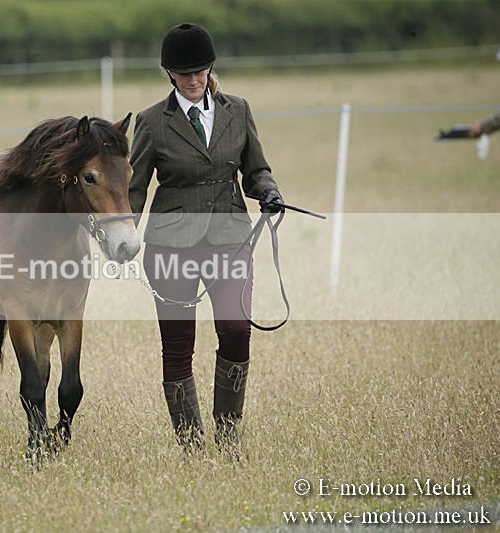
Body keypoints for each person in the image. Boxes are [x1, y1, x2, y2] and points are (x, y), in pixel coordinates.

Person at [128, 22, 283, 457]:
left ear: (210, 68)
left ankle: (229, 435)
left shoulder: (238, 110)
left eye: (200, 71)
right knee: (178, 345)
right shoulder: (152, 122)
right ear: (169, 75)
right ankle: (192, 447)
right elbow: (135, 186)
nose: (194, 80)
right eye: (184, 73)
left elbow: (256, 169)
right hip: (170, 248)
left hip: (230, 238)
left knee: (236, 331)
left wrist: (268, 191)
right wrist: (121, 234)